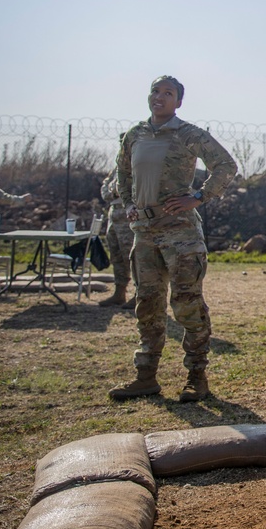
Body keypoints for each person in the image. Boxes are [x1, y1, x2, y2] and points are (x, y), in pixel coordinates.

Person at [108, 75, 237, 403]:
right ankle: (146, 377)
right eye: (155, 91)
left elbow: (225, 165)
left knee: (187, 304)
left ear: (178, 102)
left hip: (180, 234)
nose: (159, 97)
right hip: (144, 234)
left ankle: (197, 377)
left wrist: (199, 196)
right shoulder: (134, 135)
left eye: (168, 93)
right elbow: (123, 173)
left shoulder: (188, 134)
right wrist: (127, 204)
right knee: (147, 304)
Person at [98, 162, 137, 309]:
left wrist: (115, 190)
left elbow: (126, 187)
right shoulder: (118, 166)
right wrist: (112, 191)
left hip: (128, 215)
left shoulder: (136, 162)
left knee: (132, 256)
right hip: (113, 215)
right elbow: (106, 188)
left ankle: (139, 294)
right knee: (117, 256)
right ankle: (119, 293)